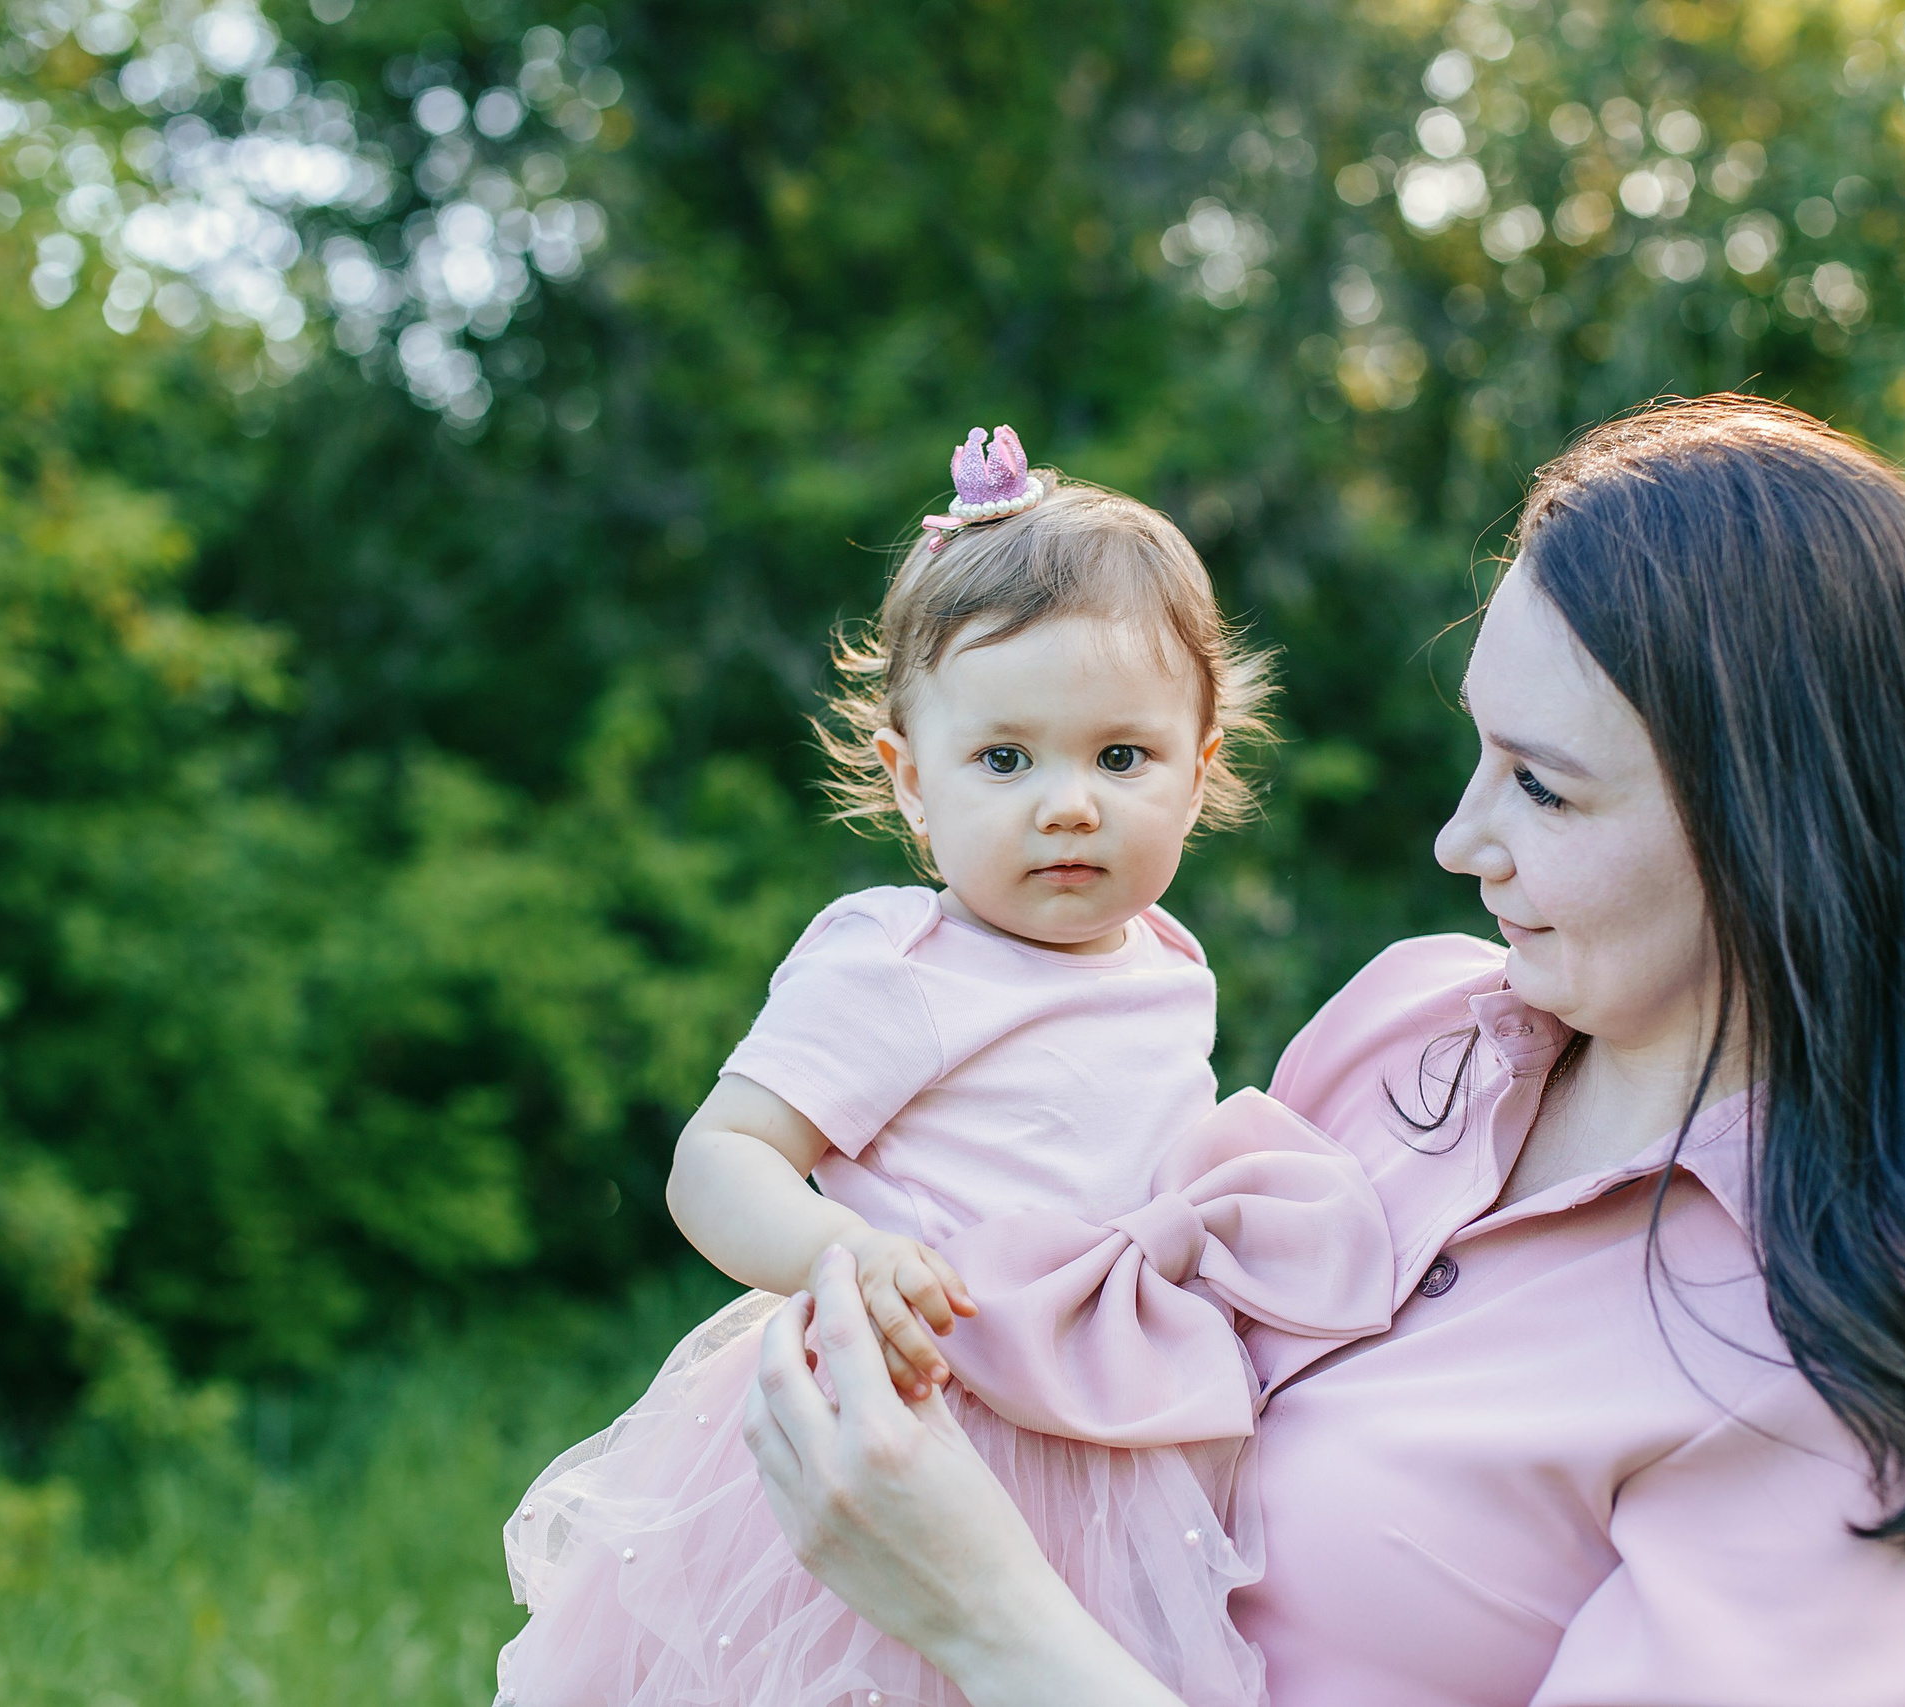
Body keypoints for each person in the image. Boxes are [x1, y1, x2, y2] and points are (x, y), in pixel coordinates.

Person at [738, 396, 1905, 1707]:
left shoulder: (1865, 1359)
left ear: (1778, 825)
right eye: (1479, 752)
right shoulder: (1416, 1025)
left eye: (1540, 783)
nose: (1458, 841)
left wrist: (986, 1614)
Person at [495, 426, 1398, 1707]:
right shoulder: (900, 959)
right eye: (1004, 759)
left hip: (1103, 1456)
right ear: (911, 784)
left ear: (1199, 780)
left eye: (1121, 757)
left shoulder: (1169, 955)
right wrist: (837, 1255)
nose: (1068, 803)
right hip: (916, 1428)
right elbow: (720, 1157)